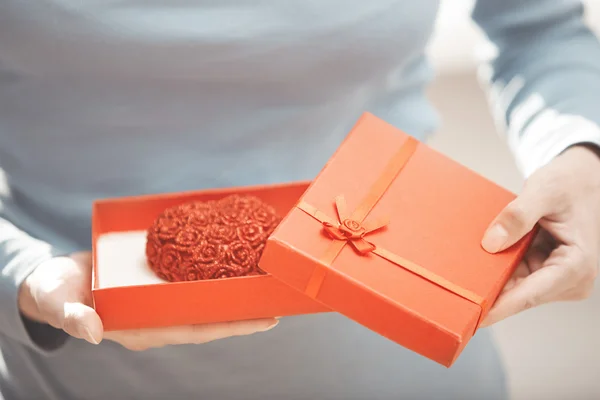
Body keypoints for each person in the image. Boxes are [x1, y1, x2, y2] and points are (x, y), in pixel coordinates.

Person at [1, 0, 600, 398]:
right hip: (75, 369)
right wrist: (18, 272)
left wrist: (582, 152)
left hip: (403, 350)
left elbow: (538, 25)